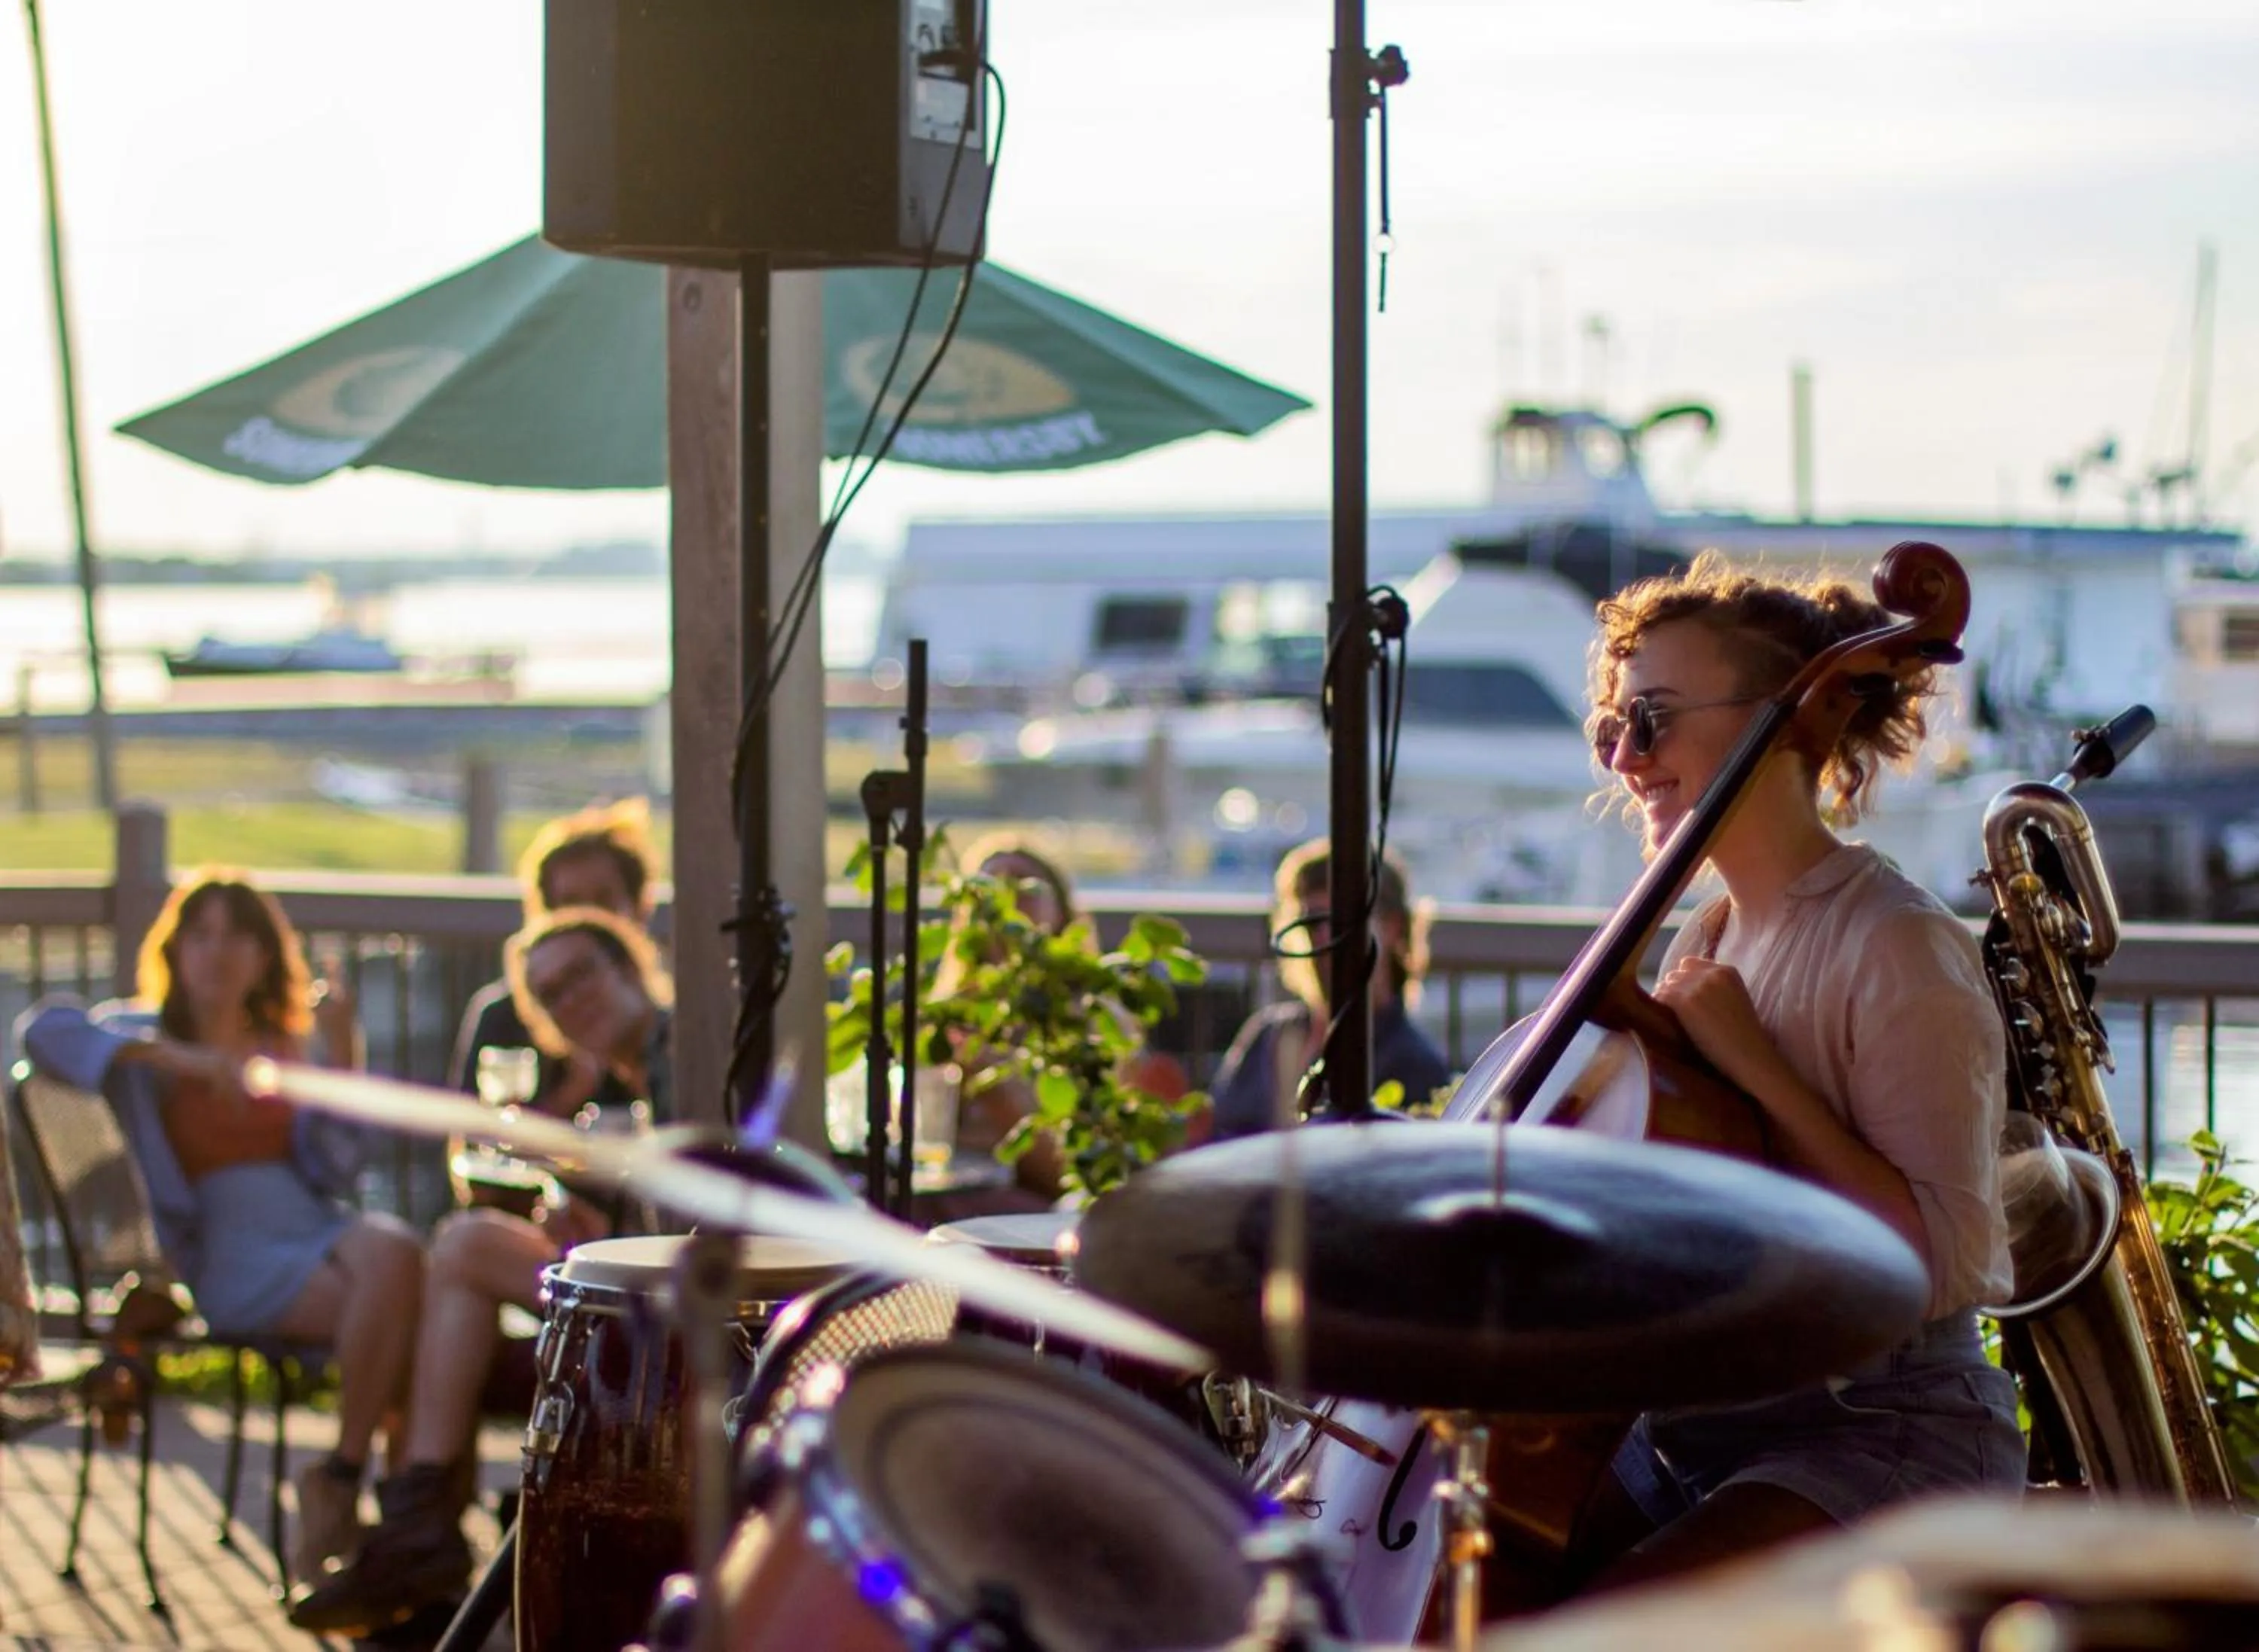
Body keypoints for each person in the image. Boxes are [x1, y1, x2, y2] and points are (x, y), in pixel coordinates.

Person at [1563, 551, 2023, 1591]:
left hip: (1879, 1429)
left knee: (1622, 1615)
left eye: (1656, 717)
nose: (1627, 757)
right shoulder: (1712, 930)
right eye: (1613, 725)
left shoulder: (1896, 943)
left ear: (1792, 719)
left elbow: (1942, 1265)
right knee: (1491, 1561)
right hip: (1711, 1423)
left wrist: (1758, 1068)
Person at [18, 870, 422, 1585]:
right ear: (174, 952)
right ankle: (390, 1528)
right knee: (404, 1321)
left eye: (237, 934)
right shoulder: (144, 1041)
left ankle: (343, 1480)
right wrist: (177, 1058)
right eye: (199, 935)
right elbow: (39, 1030)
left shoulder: (283, 1046)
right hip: (225, 1247)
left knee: (396, 1250)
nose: (218, 952)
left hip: (313, 1219)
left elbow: (338, 1168)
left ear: (266, 955)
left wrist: (344, 1049)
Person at [287, 905, 674, 1635]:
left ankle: (419, 1531)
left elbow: (690, 1212)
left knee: (458, 1251)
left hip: (684, 1313)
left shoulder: (680, 1047)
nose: (571, 999)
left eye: (581, 974)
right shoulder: (626, 1078)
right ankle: (418, 1532)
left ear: (629, 967)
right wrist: (593, 1222)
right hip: (637, 1290)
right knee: (452, 1263)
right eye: (549, 995)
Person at [1206, 840, 1451, 1137]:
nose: (1323, 939)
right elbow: (1213, 1133)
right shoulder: (1266, 1035)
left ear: (1392, 926)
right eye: (1311, 923)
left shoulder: (1413, 1064)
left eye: (1338, 924)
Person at [449, 797, 661, 1123]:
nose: (590, 919)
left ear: (639, 908)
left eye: (603, 901)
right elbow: (473, 1142)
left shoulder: (679, 1024)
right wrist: (575, 1090)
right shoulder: (504, 1017)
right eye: (570, 905)